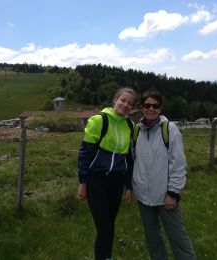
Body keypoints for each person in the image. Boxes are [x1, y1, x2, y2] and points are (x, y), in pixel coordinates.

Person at [132, 90, 196, 260]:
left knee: (178, 238)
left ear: (160, 108)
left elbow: (178, 164)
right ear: (141, 108)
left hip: (165, 196)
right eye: (147, 105)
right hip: (143, 196)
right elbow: (133, 160)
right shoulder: (137, 130)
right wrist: (131, 186)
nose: (151, 109)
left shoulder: (170, 130)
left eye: (155, 106)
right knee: (153, 239)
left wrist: (173, 192)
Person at [77, 87, 136, 260]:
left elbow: (129, 158)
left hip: (116, 182)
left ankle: (107, 257)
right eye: (123, 100)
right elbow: (85, 153)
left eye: (130, 104)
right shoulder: (99, 120)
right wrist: (83, 182)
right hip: (97, 181)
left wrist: (128, 185)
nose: (125, 105)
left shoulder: (129, 125)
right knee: (104, 229)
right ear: (115, 99)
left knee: (110, 226)